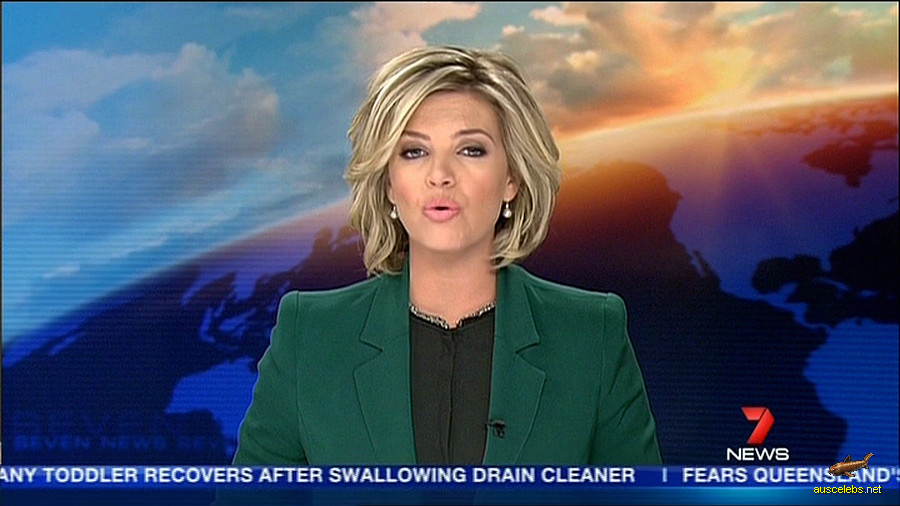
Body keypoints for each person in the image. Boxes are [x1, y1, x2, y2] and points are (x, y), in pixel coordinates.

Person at [232, 45, 661, 466]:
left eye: (471, 150)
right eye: (414, 152)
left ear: (511, 178)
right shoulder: (311, 336)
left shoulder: (590, 335)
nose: (440, 176)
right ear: (388, 182)